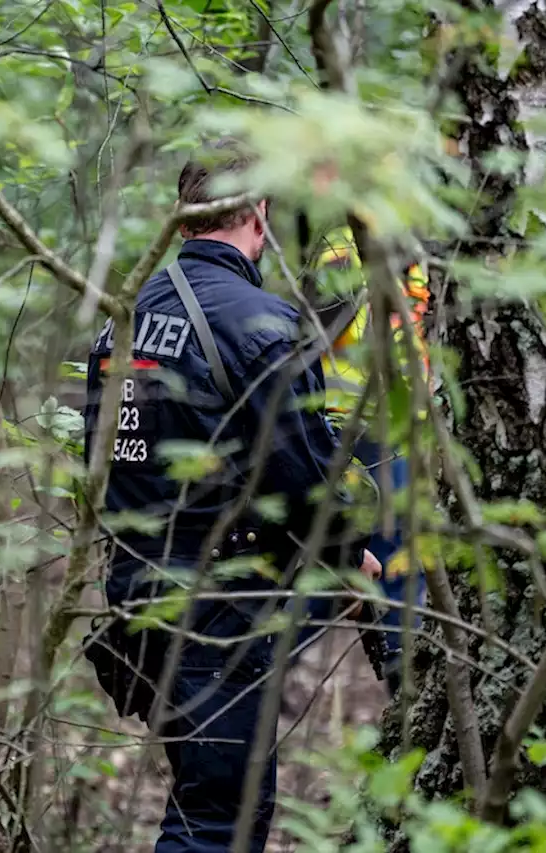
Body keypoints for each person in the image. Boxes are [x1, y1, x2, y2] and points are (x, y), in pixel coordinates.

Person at [81, 139, 381, 853]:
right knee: (219, 818)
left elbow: (102, 460)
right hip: (217, 609)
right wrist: (348, 554)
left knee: (204, 797)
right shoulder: (262, 326)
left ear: (184, 218)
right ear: (259, 214)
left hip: (136, 591)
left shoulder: (119, 322)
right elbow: (300, 479)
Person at [309, 222, 431, 697]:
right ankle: (403, 672)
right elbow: (324, 324)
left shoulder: (357, 244)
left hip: (395, 425)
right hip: (362, 425)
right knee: (389, 559)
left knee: (393, 559)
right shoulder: (350, 246)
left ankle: (404, 672)